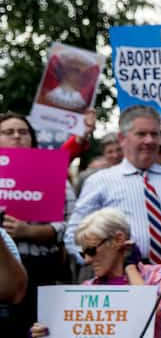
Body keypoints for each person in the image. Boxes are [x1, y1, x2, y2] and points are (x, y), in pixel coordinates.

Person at [65, 105, 161, 266]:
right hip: (123, 282)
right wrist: (96, 263)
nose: (150, 140)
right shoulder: (100, 181)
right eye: (141, 134)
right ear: (122, 138)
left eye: (154, 134)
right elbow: (74, 233)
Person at [30, 207, 161, 337]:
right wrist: (45, 331)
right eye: (82, 253)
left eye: (91, 251)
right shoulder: (86, 289)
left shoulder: (157, 275)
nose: (87, 260)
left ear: (118, 239)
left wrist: (130, 268)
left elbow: (154, 314)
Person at [0, 112, 77, 337]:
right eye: (8, 132)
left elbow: (72, 224)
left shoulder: (52, 172)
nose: (17, 137)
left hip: (44, 273)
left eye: (23, 132)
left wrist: (31, 231)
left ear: (32, 139)